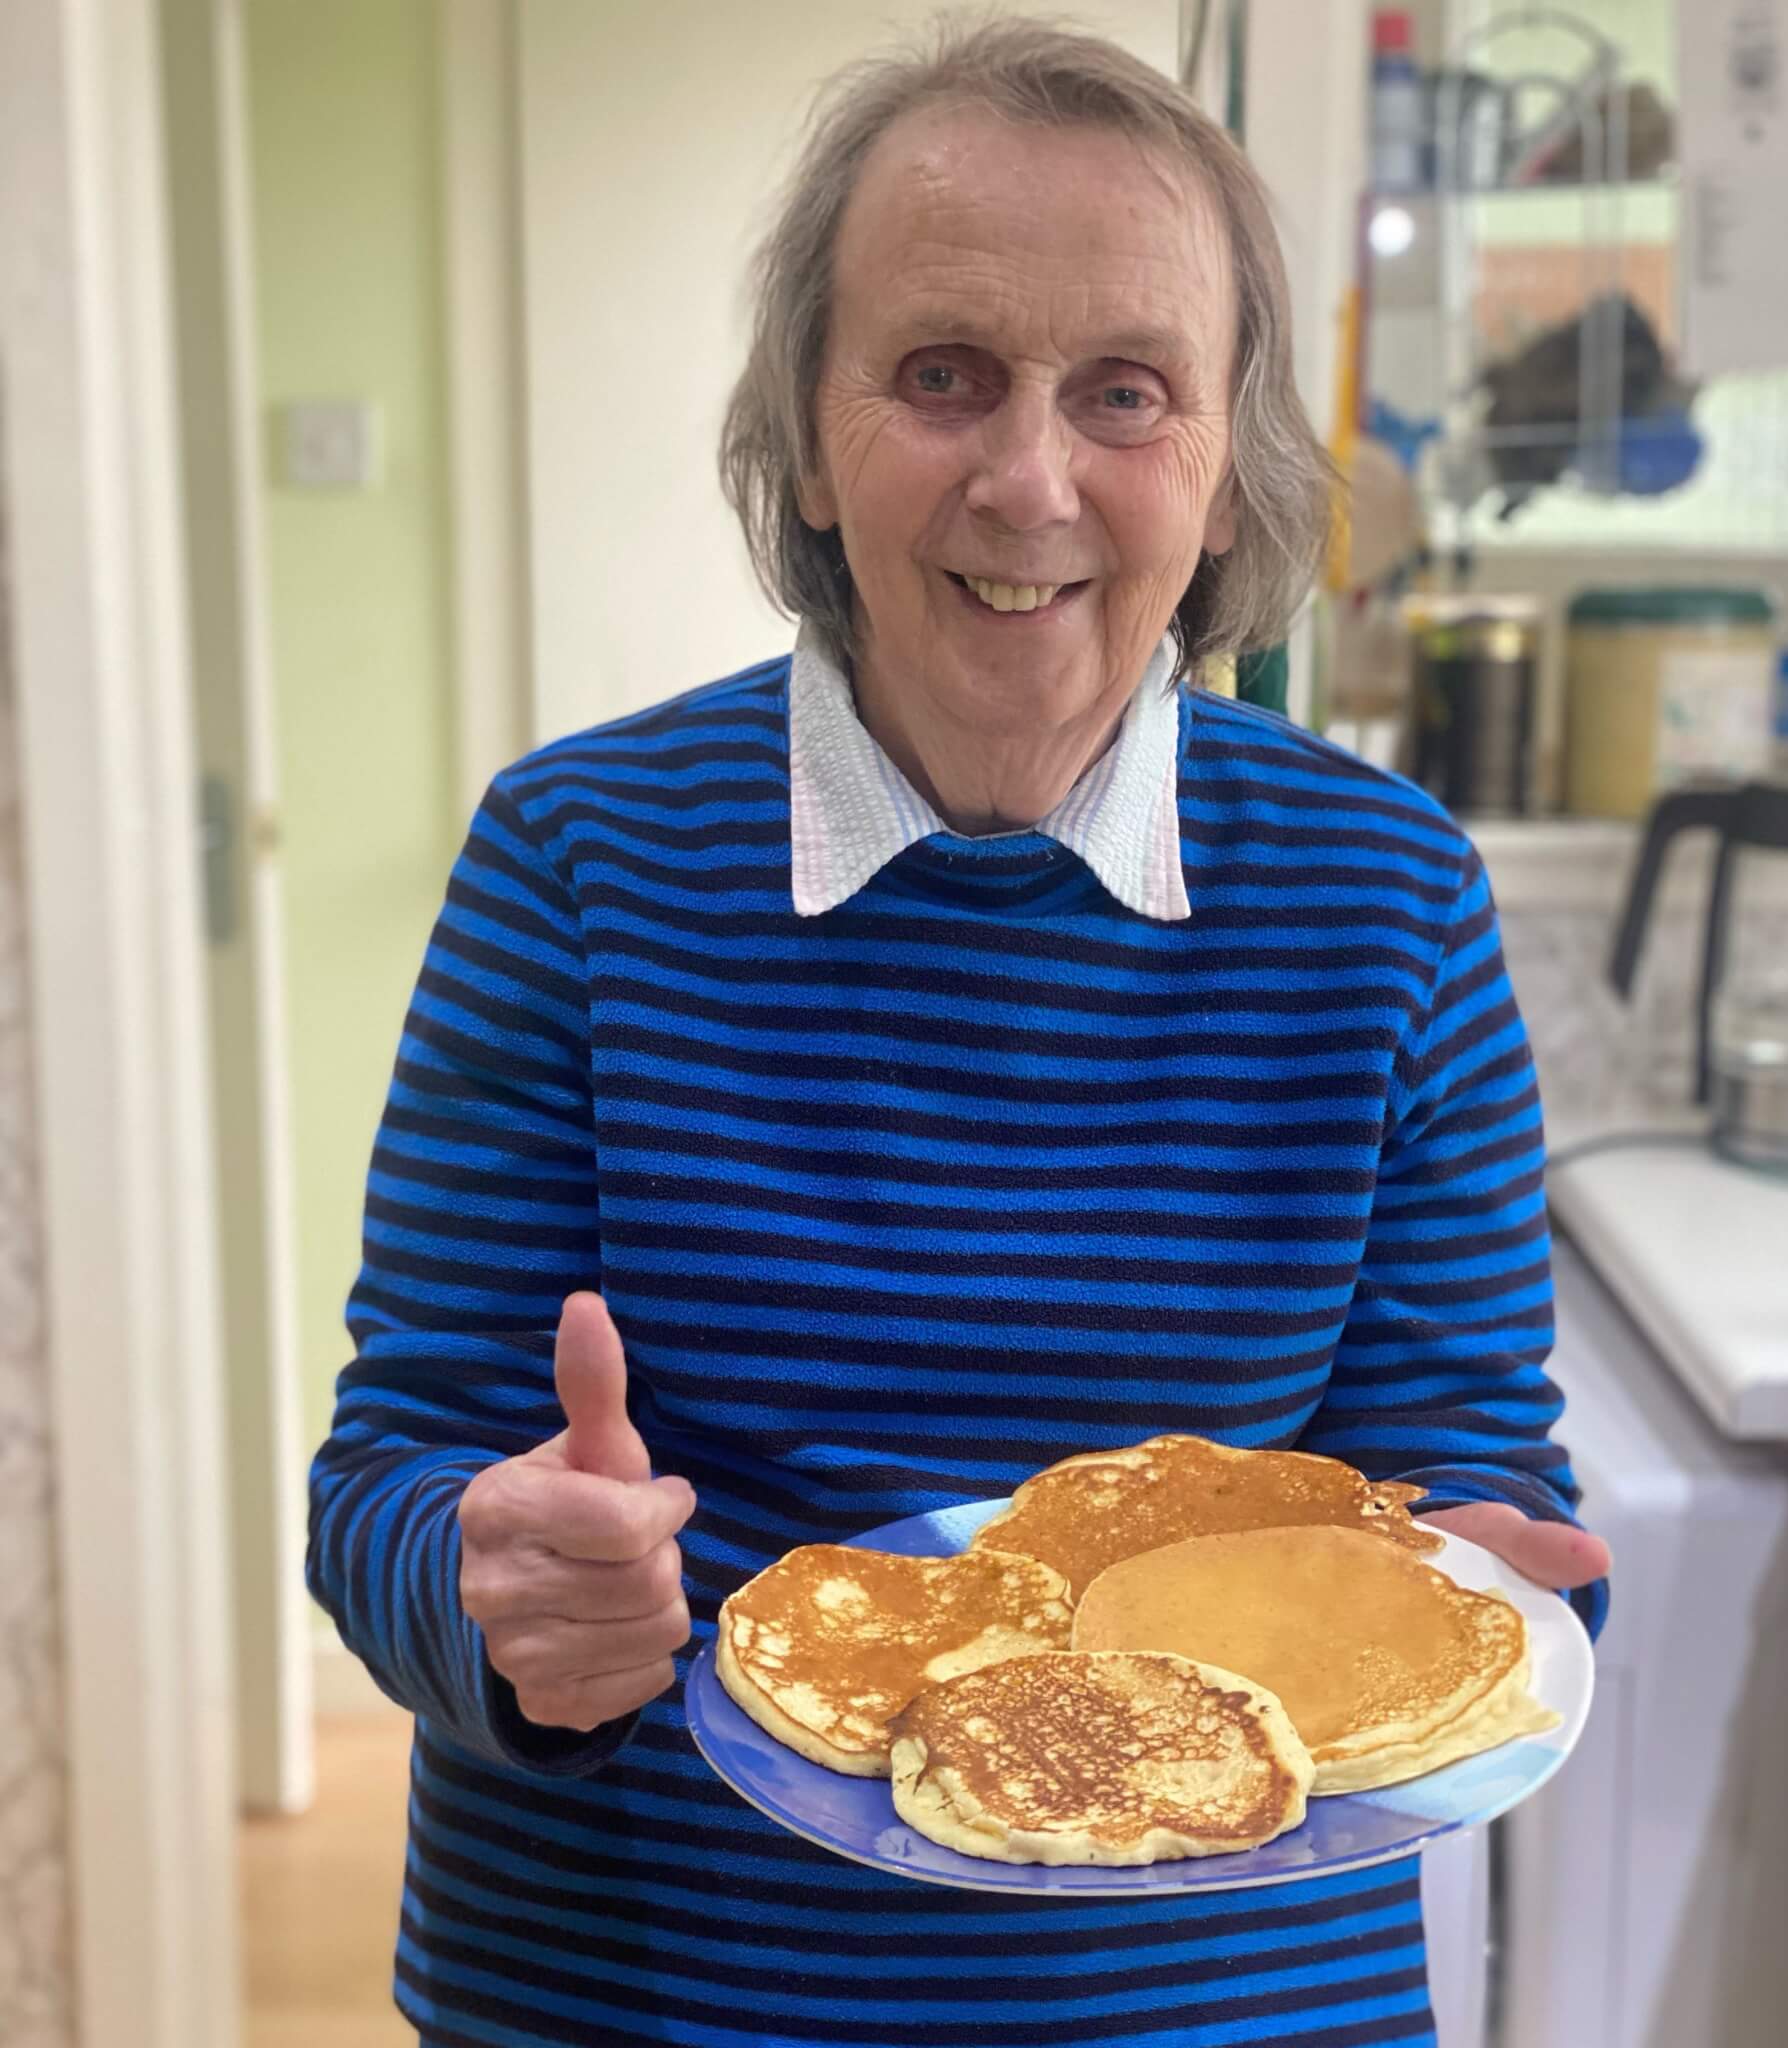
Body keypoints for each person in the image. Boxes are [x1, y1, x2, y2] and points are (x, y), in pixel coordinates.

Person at [306, 20, 1609, 2046]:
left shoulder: (1386, 894)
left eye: (1124, 390)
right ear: (811, 440)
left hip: (1214, 1989)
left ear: (1222, 453)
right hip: (643, 1987)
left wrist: (1504, 1599)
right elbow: (394, 1472)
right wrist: (493, 1597)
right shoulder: (579, 858)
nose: (1029, 479)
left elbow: (1456, 1467)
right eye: (942, 376)